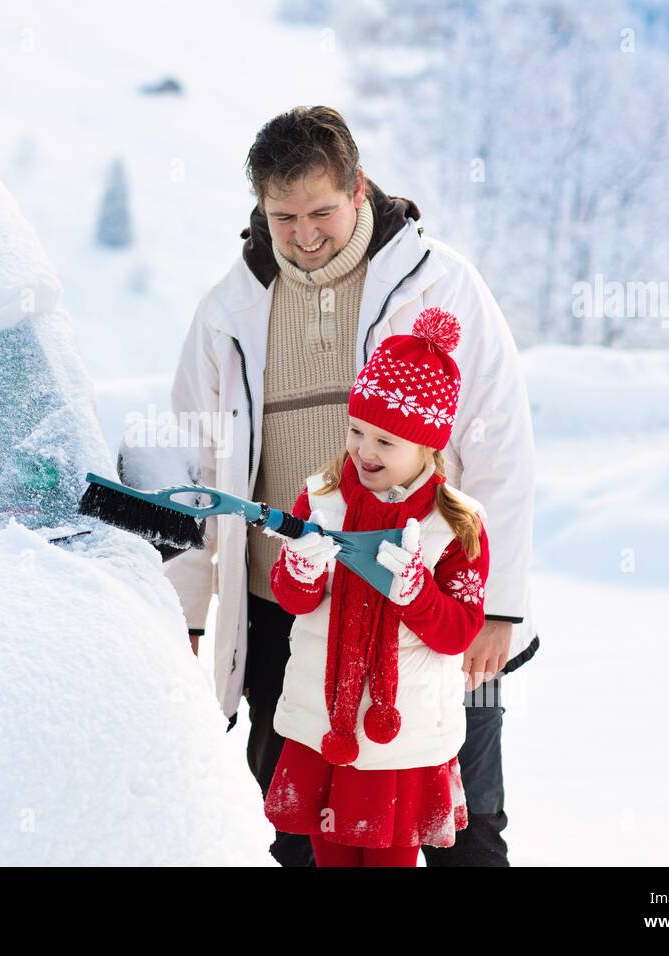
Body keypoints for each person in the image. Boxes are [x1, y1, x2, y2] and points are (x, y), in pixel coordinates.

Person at [135, 105, 539, 866]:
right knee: (301, 835)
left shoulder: (442, 286)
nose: (305, 233)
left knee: (466, 831)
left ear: (359, 190)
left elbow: (502, 450)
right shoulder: (229, 311)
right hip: (288, 608)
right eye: (282, 217)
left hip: (432, 608)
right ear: (260, 208)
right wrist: (187, 610)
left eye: (321, 210)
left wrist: (501, 606)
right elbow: (196, 467)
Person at [262, 309, 486, 867]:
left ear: (428, 446)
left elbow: (458, 630)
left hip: (401, 744)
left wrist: (416, 595)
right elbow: (292, 601)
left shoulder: (455, 524)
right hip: (323, 726)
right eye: (356, 429)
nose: (364, 451)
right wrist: (302, 569)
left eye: (385, 440)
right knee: (330, 857)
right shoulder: (322, 500)